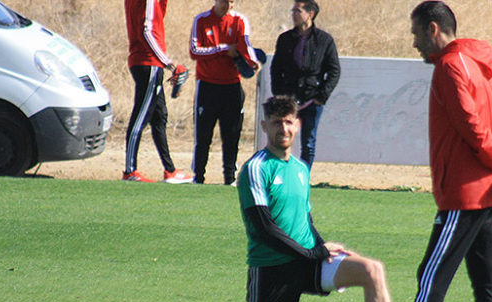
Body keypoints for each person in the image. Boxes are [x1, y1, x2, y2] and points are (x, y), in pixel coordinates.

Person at [347, 2, 492, 302]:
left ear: (433, 29)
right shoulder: (481, 65)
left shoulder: (449, 66)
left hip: (466, 194)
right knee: (486, 285)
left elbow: (472, 125)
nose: (413, 44)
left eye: (415, 34)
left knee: (431, 277)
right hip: (490, 193)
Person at [200, 95, 398, 302]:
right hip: (272, 269)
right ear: (264, 126)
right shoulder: (255, 169)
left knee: (371, 270)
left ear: (298, 124)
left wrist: (323, 246)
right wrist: (312, 253)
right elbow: (264, 228)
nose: (284, 129)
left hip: (308, 261)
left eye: (289, 122)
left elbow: (305, 220)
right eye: (276, 123)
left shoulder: (301, 169)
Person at [189, 0, 259, 185]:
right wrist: (224, 49)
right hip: (207, 86)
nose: (226, 5)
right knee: (203, 136)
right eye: (223, 1)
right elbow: (195, 51)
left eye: (231, 1)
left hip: (232, 86)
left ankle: (230, 178)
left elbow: (244, 44)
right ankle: (198, 177)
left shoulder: (239, 20)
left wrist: (252, 61)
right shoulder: (202, 20)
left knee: (232, 135)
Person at [123, 0, 192, 183]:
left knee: (159, 116)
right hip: (149, 62)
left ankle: (170, 170)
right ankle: (130, 171)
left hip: (143, 61)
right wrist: (167, 62)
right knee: (141, 117)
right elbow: (147, 30)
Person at [270, 0, 340, 169]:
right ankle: (281, 174)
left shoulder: (324, 40)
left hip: (311, 99)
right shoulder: (285, 39)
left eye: (298, 11)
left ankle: (303, 176)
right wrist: (279, 95)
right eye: (293, 11)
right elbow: (275, 69)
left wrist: (321, 96)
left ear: (310, 14)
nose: (294, 14)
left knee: (308, 142)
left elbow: (334, 71)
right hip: (288, 99)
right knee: (282, 138)